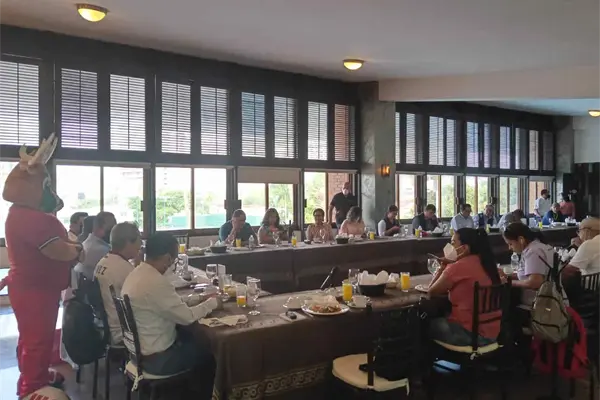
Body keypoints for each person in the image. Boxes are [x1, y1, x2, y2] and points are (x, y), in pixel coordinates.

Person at [3, 134, 84, 399]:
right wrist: (77, 249)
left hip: (34, 288)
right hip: (35, 291)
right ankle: (32, 386)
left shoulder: (21, 214)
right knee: (37, 340)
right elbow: (57, 251)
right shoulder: (31, 219)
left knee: (32, 337)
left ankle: (34, 375)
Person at [122, 232, 217, 399]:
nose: (173, 264)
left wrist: (199, 298)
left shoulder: (137, 274)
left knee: (192, 339)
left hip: (140, 354)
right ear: (167, 258)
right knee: (210, 354)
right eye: (174, 259)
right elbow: (187, 317)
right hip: (158, 360)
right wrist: (213, 303)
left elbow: (168, 303)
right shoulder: (155, 282)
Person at [427, 228, 501, 346]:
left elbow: (431, 291)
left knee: (428, 324)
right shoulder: (489, 265)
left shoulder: (456, 267)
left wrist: (443, 266)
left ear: (464, 248)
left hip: (470, 335)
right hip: (494, 334)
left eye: (453, 243)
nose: (450, 247)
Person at [94, 222, 142, 344]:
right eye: (139, 240)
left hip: (107, 326)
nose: (140, 245)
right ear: (128, 242)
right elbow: (145, 299)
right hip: (124, 332)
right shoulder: (124, 269)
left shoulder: (103, 262)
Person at [501, 223, 554, 306]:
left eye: (510, 244)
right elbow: (528, 275)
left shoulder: (533, 252)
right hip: (548, 300)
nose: (509, 248)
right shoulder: (537, 247)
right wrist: (507, 277)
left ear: (521, 239)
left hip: (540, 304)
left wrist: (509, 283)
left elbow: (535, 282)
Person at [75, 212, 116, 279]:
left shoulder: (88, 243)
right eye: (110, 228)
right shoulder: (101, 250)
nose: (113, 232)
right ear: (98, 228)